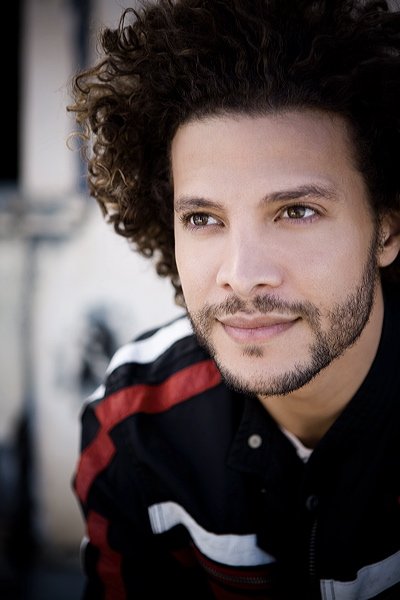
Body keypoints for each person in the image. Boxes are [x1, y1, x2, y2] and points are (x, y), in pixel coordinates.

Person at [67, 0, 400, 598]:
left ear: (388, 229)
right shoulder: (134, 424)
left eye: (297, 211)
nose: (242, 277)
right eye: (202, 218)